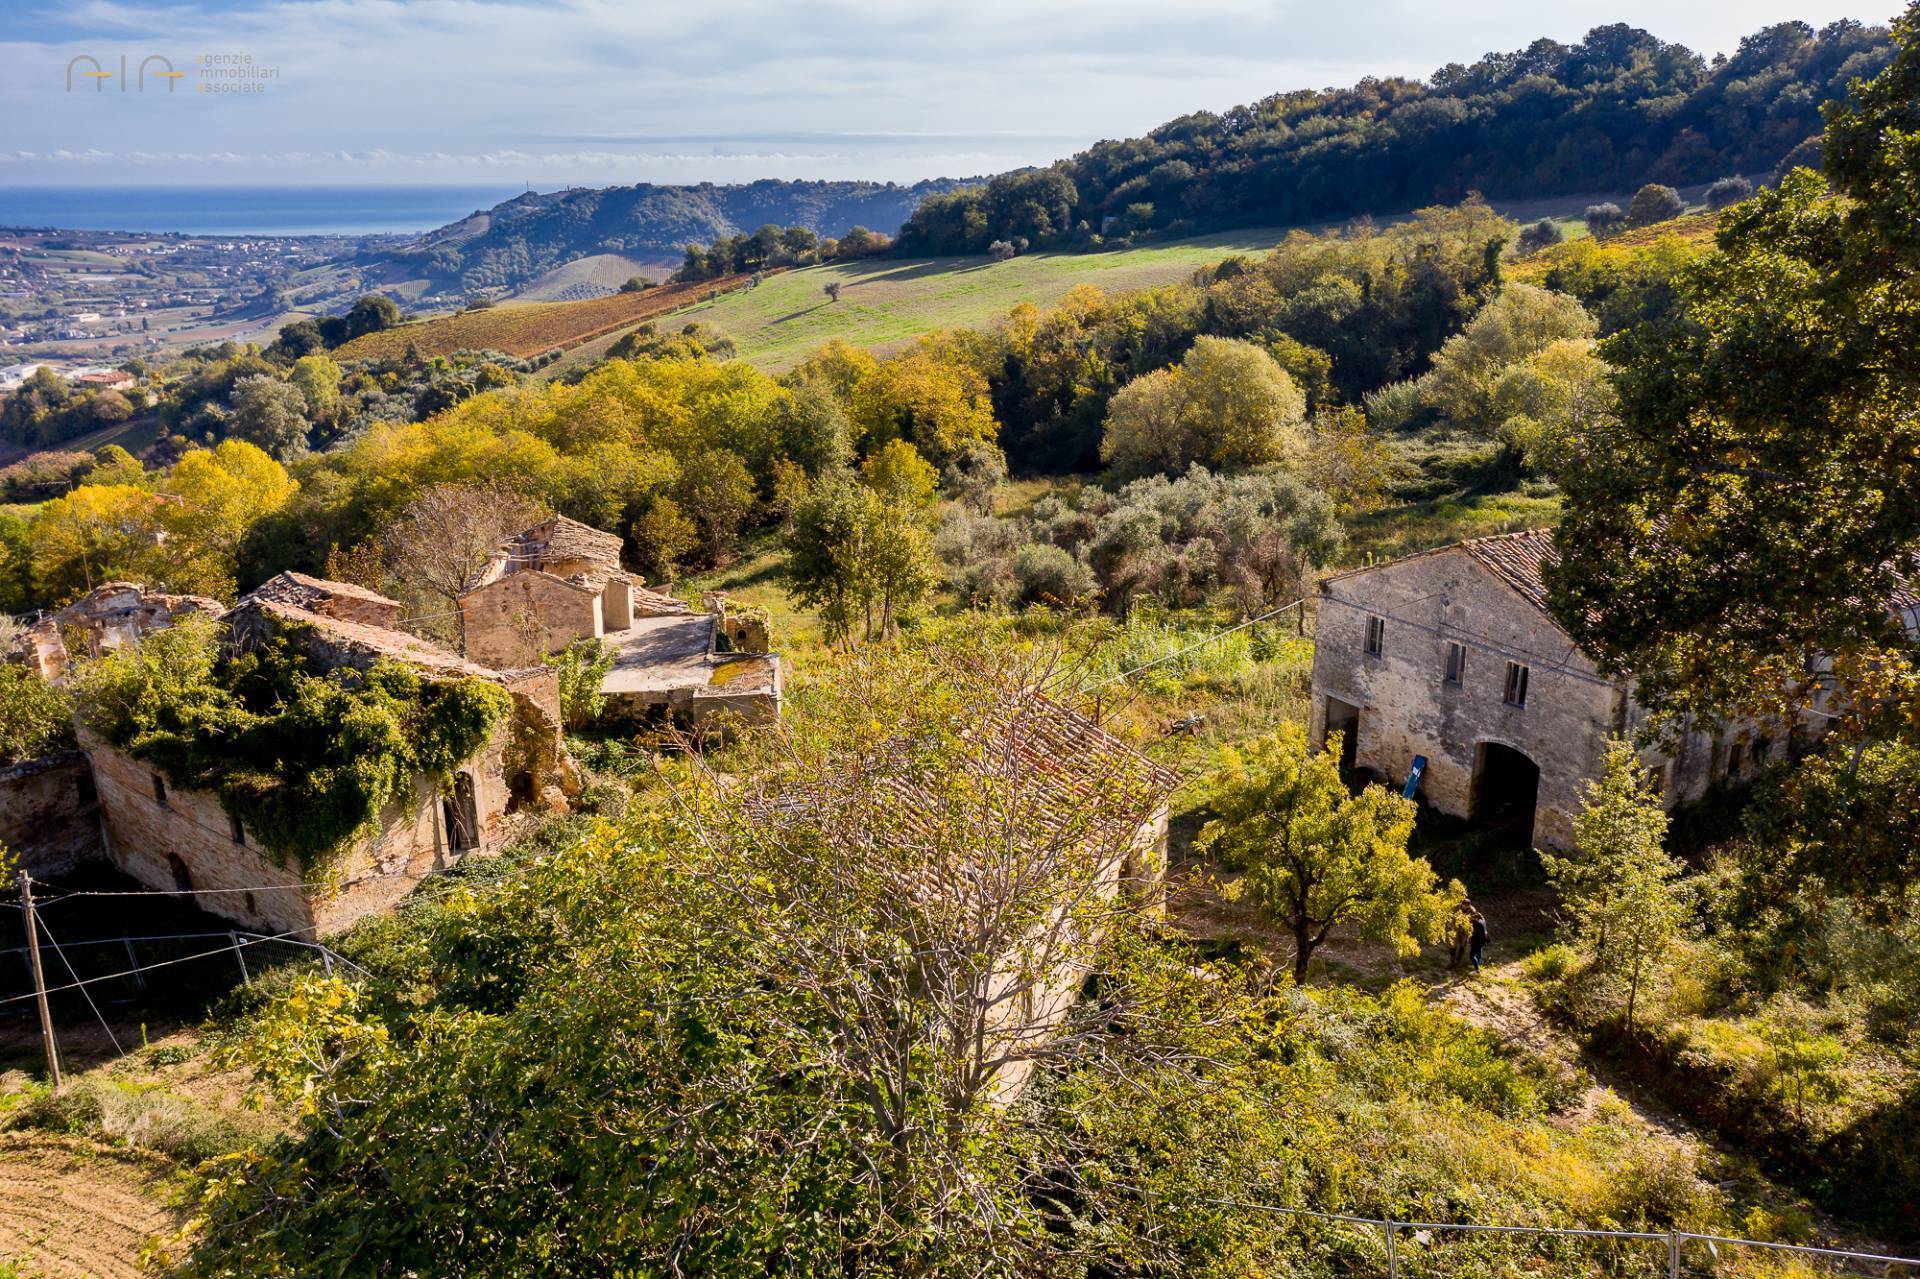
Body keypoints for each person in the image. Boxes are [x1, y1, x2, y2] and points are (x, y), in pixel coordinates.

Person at [1448, 901, 1474, 969]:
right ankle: (1452, 962)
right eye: (1464, 905)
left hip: (1465, 929)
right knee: (1454, 944)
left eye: (1467, 906)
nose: (1465, 907)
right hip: (1455, 928)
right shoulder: (1456, 907)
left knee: (1463, 945)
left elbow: (1474, 919)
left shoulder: (1472, 910)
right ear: (1462, 904)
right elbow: (1450, 916)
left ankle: (1458, 961)